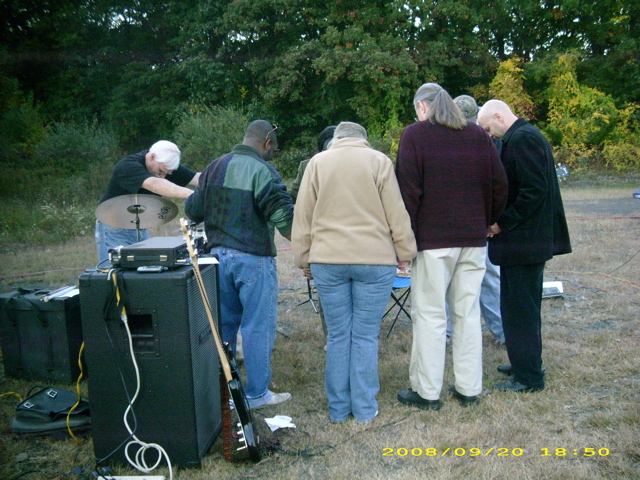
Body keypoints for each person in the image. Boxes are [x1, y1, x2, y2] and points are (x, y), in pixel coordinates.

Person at [291, 121, 416, 424]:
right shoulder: (379, 161)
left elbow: (303, 214)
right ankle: (364, 408)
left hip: (327, 260)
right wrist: (405, 252)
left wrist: (303, 257)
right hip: (374, 260)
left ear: (336, 139)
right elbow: (396, 212)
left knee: (337, 336)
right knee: (365, 336)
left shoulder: (317, 163)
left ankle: (337, 409)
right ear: (364, 139)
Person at [395, 83, 508, 410]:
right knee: (467, 313)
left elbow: (408, 192)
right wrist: (488, 220)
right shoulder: (478, 136)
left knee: (430, 315)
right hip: (473, 240)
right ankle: (469, 388)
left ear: (422, 107)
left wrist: (406, 240)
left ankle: (427, 392)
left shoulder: (414, 135)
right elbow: (499, 183)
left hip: (433, 242)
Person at [185, 120, 294, 409]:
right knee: (258, 326)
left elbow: (192, 210)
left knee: (224, 327)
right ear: (267, 142)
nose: (273, 153)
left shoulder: (214, 167)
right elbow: (284, 219)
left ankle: (224, 395)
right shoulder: (263, 169)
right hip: (252, 258)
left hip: (217, 258)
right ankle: (257, 394)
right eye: (273, 148)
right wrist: (304, 239)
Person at [477, 99, 572, 392]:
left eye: (488, 128)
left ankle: (529, 377)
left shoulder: (524, 138)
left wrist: (502, 223)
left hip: (525, 242)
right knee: (515, 307)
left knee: (521, 311)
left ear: (498, 116)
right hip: (520, 244)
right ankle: (523, 362)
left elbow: (534, 190)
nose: (489, 135)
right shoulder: (519, 137)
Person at [448, 94, 505, 345]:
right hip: (453, 226)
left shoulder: (488, 140)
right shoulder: (440, 141)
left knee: (490, 278)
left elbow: (497, 184)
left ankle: (502, 331)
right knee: (446, 281)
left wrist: (492, 220)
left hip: (480, 225)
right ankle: (446, 333)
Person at [95, 140, 200, 263]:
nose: (163, 176)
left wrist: (217, 178)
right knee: (115, 269)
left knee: (140, 268)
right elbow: (155, 185)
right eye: (161, 172)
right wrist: (194, 195)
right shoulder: (128, 166)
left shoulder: (164, 166)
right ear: (152, 157)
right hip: (114, 226)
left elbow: (198, 178)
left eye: (167, 173)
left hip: (139, 225)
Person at [290, 126, 336, 342]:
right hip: (320, 238)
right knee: (327, 295)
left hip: (334, 238)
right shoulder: (307, 166)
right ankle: (332, 338)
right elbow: (295, 198)